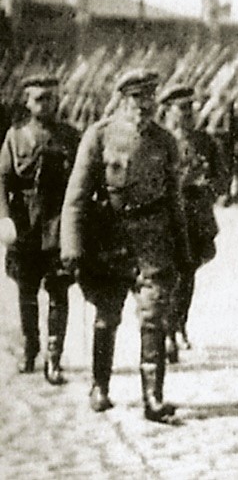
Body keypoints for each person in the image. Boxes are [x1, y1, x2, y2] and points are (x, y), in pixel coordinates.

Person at [60, 69, 190, 422]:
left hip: (152, 239)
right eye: (137, 99)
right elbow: (76, 197)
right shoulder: (99, 136)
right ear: (123, 99)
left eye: (149, 98)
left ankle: (153, 397)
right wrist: (71, 246)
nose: (144, 106)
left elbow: (175, 199)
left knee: (154, 317)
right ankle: (100, 385)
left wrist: (183, 248)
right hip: (110, 241)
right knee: (106, 316)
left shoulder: (165, 141)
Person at [0, 75, 80, 383]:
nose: (46, 104)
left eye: (50, 98)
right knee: (27, 291)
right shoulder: (15, 136)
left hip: (59, 225)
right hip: (26, 227)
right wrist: (6, 218)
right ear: (27, 102)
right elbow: (4, 181)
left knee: (59, 292)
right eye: (39, 99)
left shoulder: (71, 137)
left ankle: (54, 357)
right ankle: (31, 347)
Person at [159, 85, 224, 361]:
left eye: (190, 108)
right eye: (181, 108)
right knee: (167, 273)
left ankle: (179, 324)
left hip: (196, 216)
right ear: (168, 110)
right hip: (167, 216)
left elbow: (222, 176)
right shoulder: (159, 140)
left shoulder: (205, 141)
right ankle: (167, 329)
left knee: (187, 274)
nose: (187, 113)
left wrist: (209, 188)